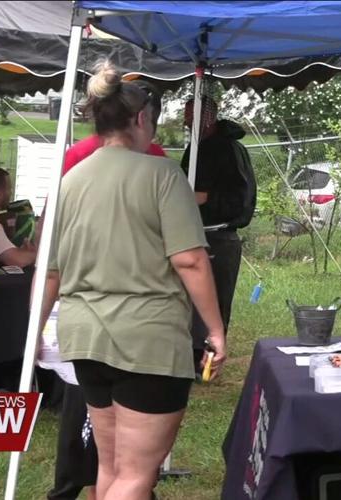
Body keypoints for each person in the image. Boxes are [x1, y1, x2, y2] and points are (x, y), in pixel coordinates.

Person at [38, 61, 227, 500]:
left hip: (83, 337)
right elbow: (192, 262)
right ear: (142, 119)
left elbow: (50, 270)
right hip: (147, 340)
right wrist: (215, 331)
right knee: (138, 474)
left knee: (113, 466)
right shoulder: (162, 175)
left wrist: (35, 330)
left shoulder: (69, 181)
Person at [46, 79, 168, 500]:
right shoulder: (150, 160)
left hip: (84, 315)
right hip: (137, 319)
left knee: (111, 458)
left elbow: (51, 238)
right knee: (128, 464)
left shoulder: (77, 161)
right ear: (139, 119)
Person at [180, 95, 256, 375]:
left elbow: (241, 199)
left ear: (207, 117)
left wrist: (205, 198)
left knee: (216, 301)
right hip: (192, 233)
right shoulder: (195, 148)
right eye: (186, 116)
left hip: (220, 237)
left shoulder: (230, 150)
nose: (187, 121)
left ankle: (211, 363)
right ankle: (189, 359)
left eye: (192, 116)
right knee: (188, 301)